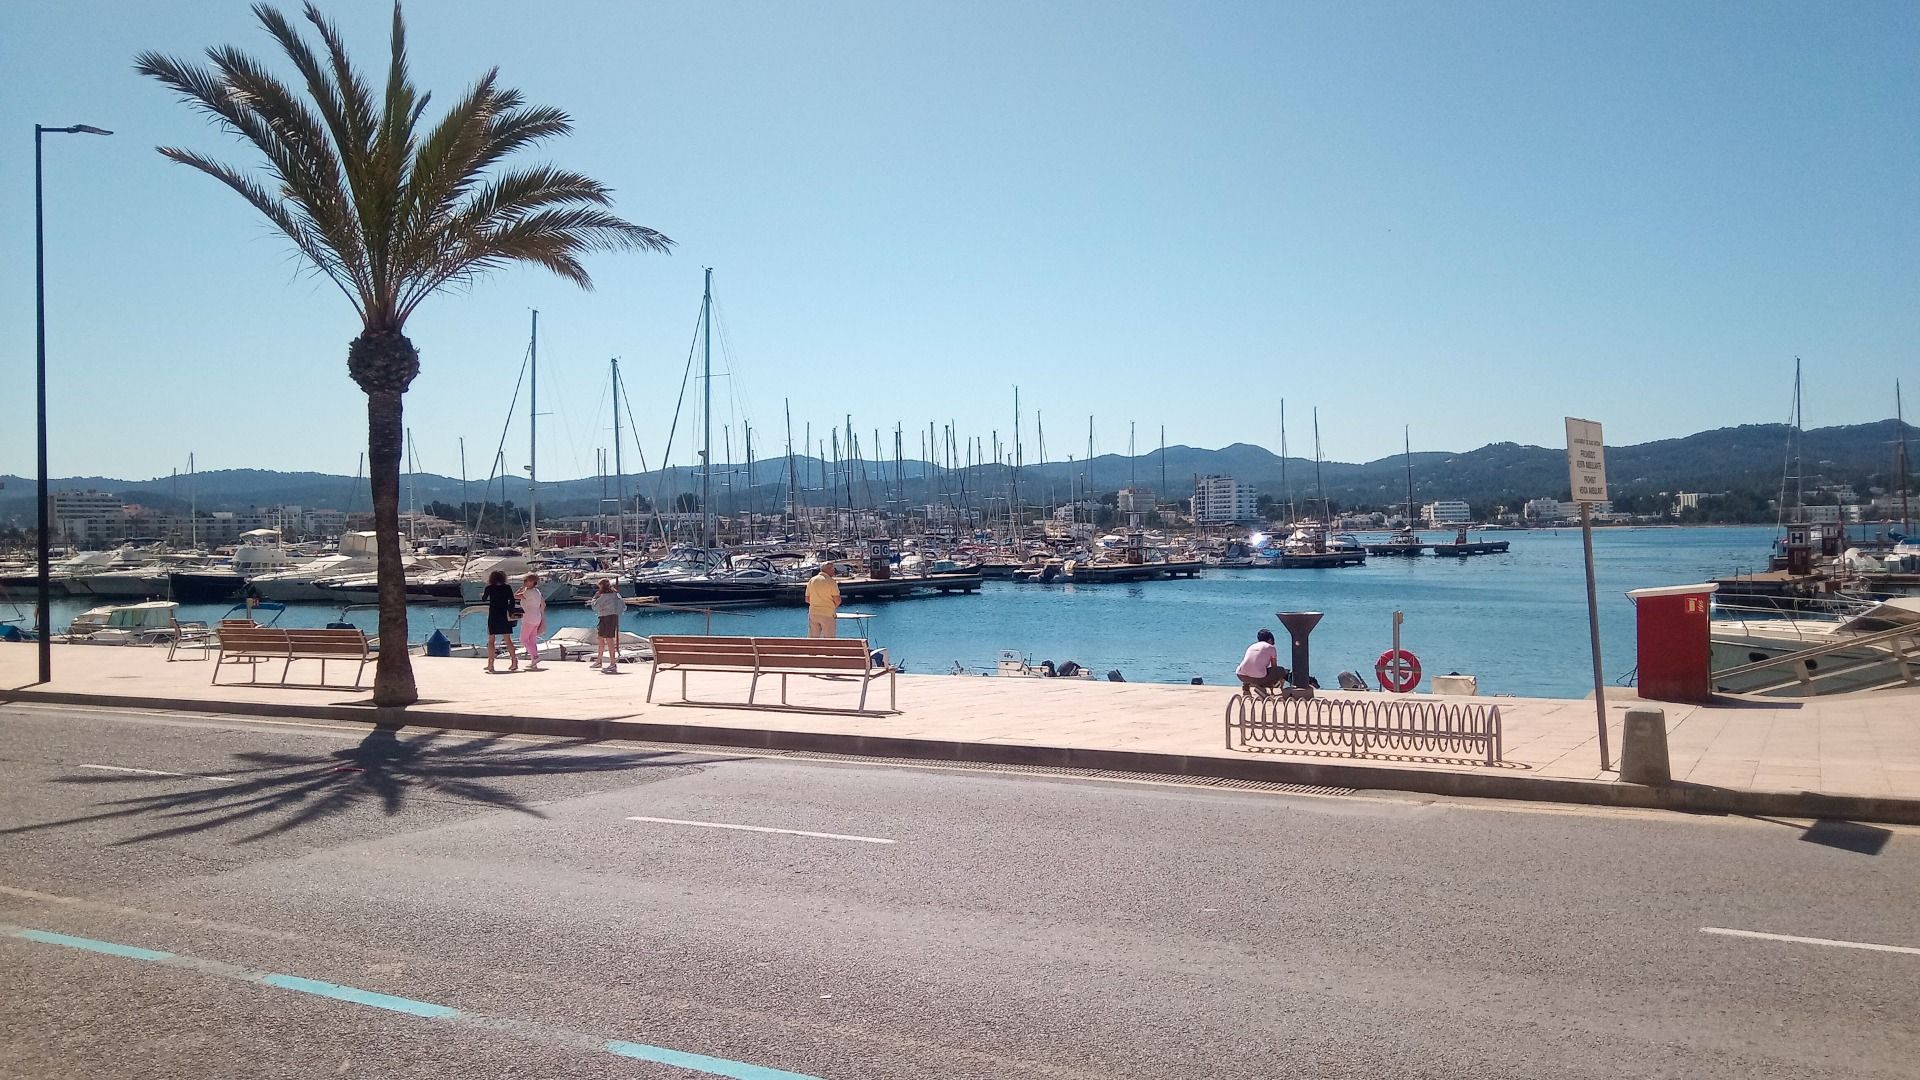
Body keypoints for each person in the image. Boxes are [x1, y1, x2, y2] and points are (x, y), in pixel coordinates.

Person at [481, 569, 519, 673]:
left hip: (493, 615)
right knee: (508, 640)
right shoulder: (507, 587)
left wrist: (483, 594)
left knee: (491, 640)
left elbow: (484, 599)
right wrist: (510, 611)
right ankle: (514, 662)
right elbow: (512, 600)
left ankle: (490, 664)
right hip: (504, 614)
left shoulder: (489, 588)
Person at [1236, 628, 1286, 697]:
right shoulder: (1271, 648)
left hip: (1241, 675)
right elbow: (1274, 666)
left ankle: (1246, 689)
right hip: (1258, 677)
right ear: (1270, 640)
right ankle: (1261, 687)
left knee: (1249, 667)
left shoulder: (1252, 646)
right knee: (1280, 671)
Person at [589, 578, 624, 673]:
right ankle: (599, 660)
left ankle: (613, 663)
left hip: (606, 618)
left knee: (608, 639)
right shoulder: (616, 594)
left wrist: (595, 598)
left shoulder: (602, 596)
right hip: (611, 617)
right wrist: (616, 612)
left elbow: (595, 606)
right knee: (600, 637)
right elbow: (623, 606)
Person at [515, 573, 547, 671]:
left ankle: (535, 656)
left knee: (524, 639)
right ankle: (534, 661)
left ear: (532, 582)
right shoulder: (537, 591)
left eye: (526, 581)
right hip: (537, 617)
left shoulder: (528, 592)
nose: (524, 583)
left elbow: (515, 596)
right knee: (532, 640)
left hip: (529, 618)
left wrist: (521, 589)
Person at [805, 561, 841, 638]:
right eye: (833, 568)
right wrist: (830, 607)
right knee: (829, 639)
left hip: (813, 613)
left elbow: (807, 599)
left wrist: (817, 604)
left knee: (813, 639)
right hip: (827, 613)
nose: (834, 570)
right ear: (828, 569)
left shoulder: (812, 580)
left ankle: (812, 650)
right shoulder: (831, 582)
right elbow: (837, 600)